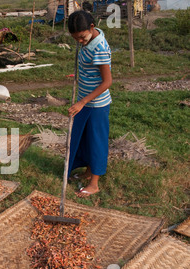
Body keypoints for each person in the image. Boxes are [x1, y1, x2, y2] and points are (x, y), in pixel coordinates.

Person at [66, 10, 113, 198]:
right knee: (83, 138)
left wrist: (83, 102)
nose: (80, 42)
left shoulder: (99, 47)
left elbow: (107, 82)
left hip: (96, 105)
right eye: (76, 38)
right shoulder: (88, 38)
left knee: (96, 142)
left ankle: (94, 183)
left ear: (92, 28)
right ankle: (87, 171)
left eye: (82, 38)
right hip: (85, 101)